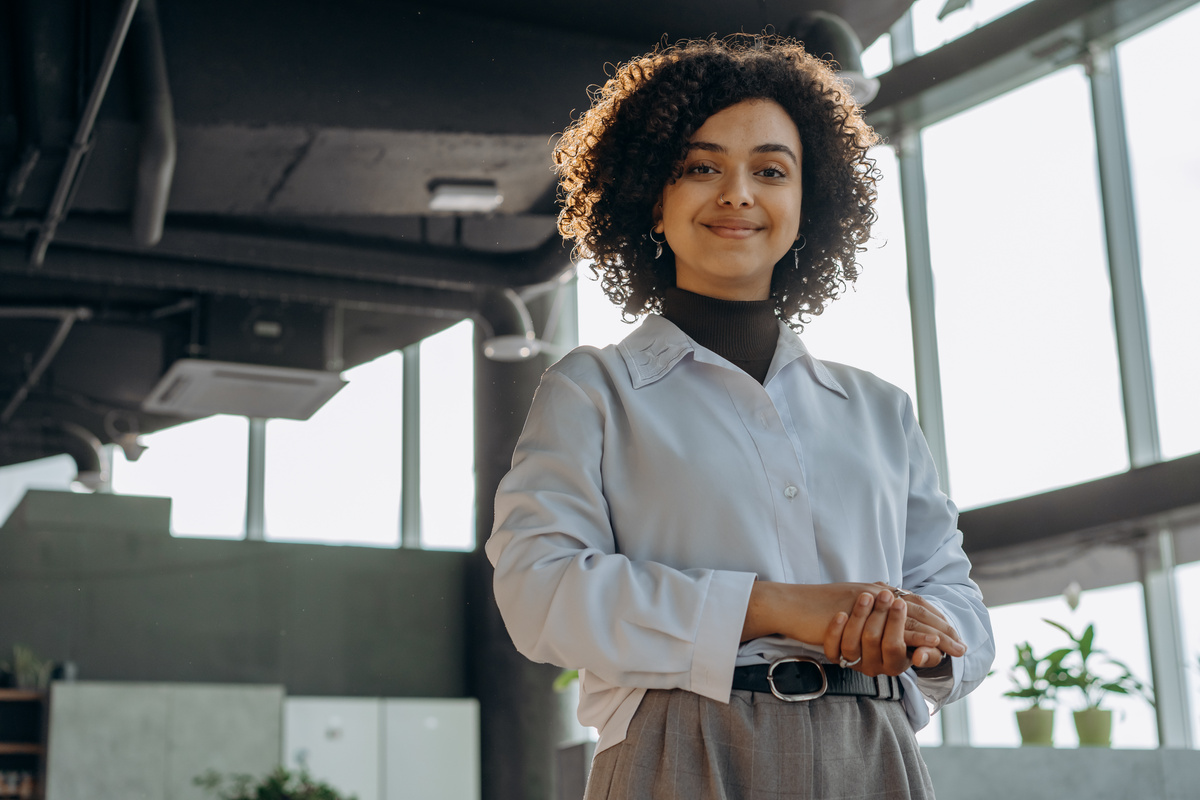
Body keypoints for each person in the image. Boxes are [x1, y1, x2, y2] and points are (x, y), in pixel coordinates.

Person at [486, 35, 994, 799]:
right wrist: (773, 606)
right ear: (653, 197)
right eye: (700, 167)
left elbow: (958, 602)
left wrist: (920, 637)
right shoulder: (592, 389)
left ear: (805, 205)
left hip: (876, 748)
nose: (738, 193)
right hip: (681, 745)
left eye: (771, 170)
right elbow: (542, 591)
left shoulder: (879, 410)